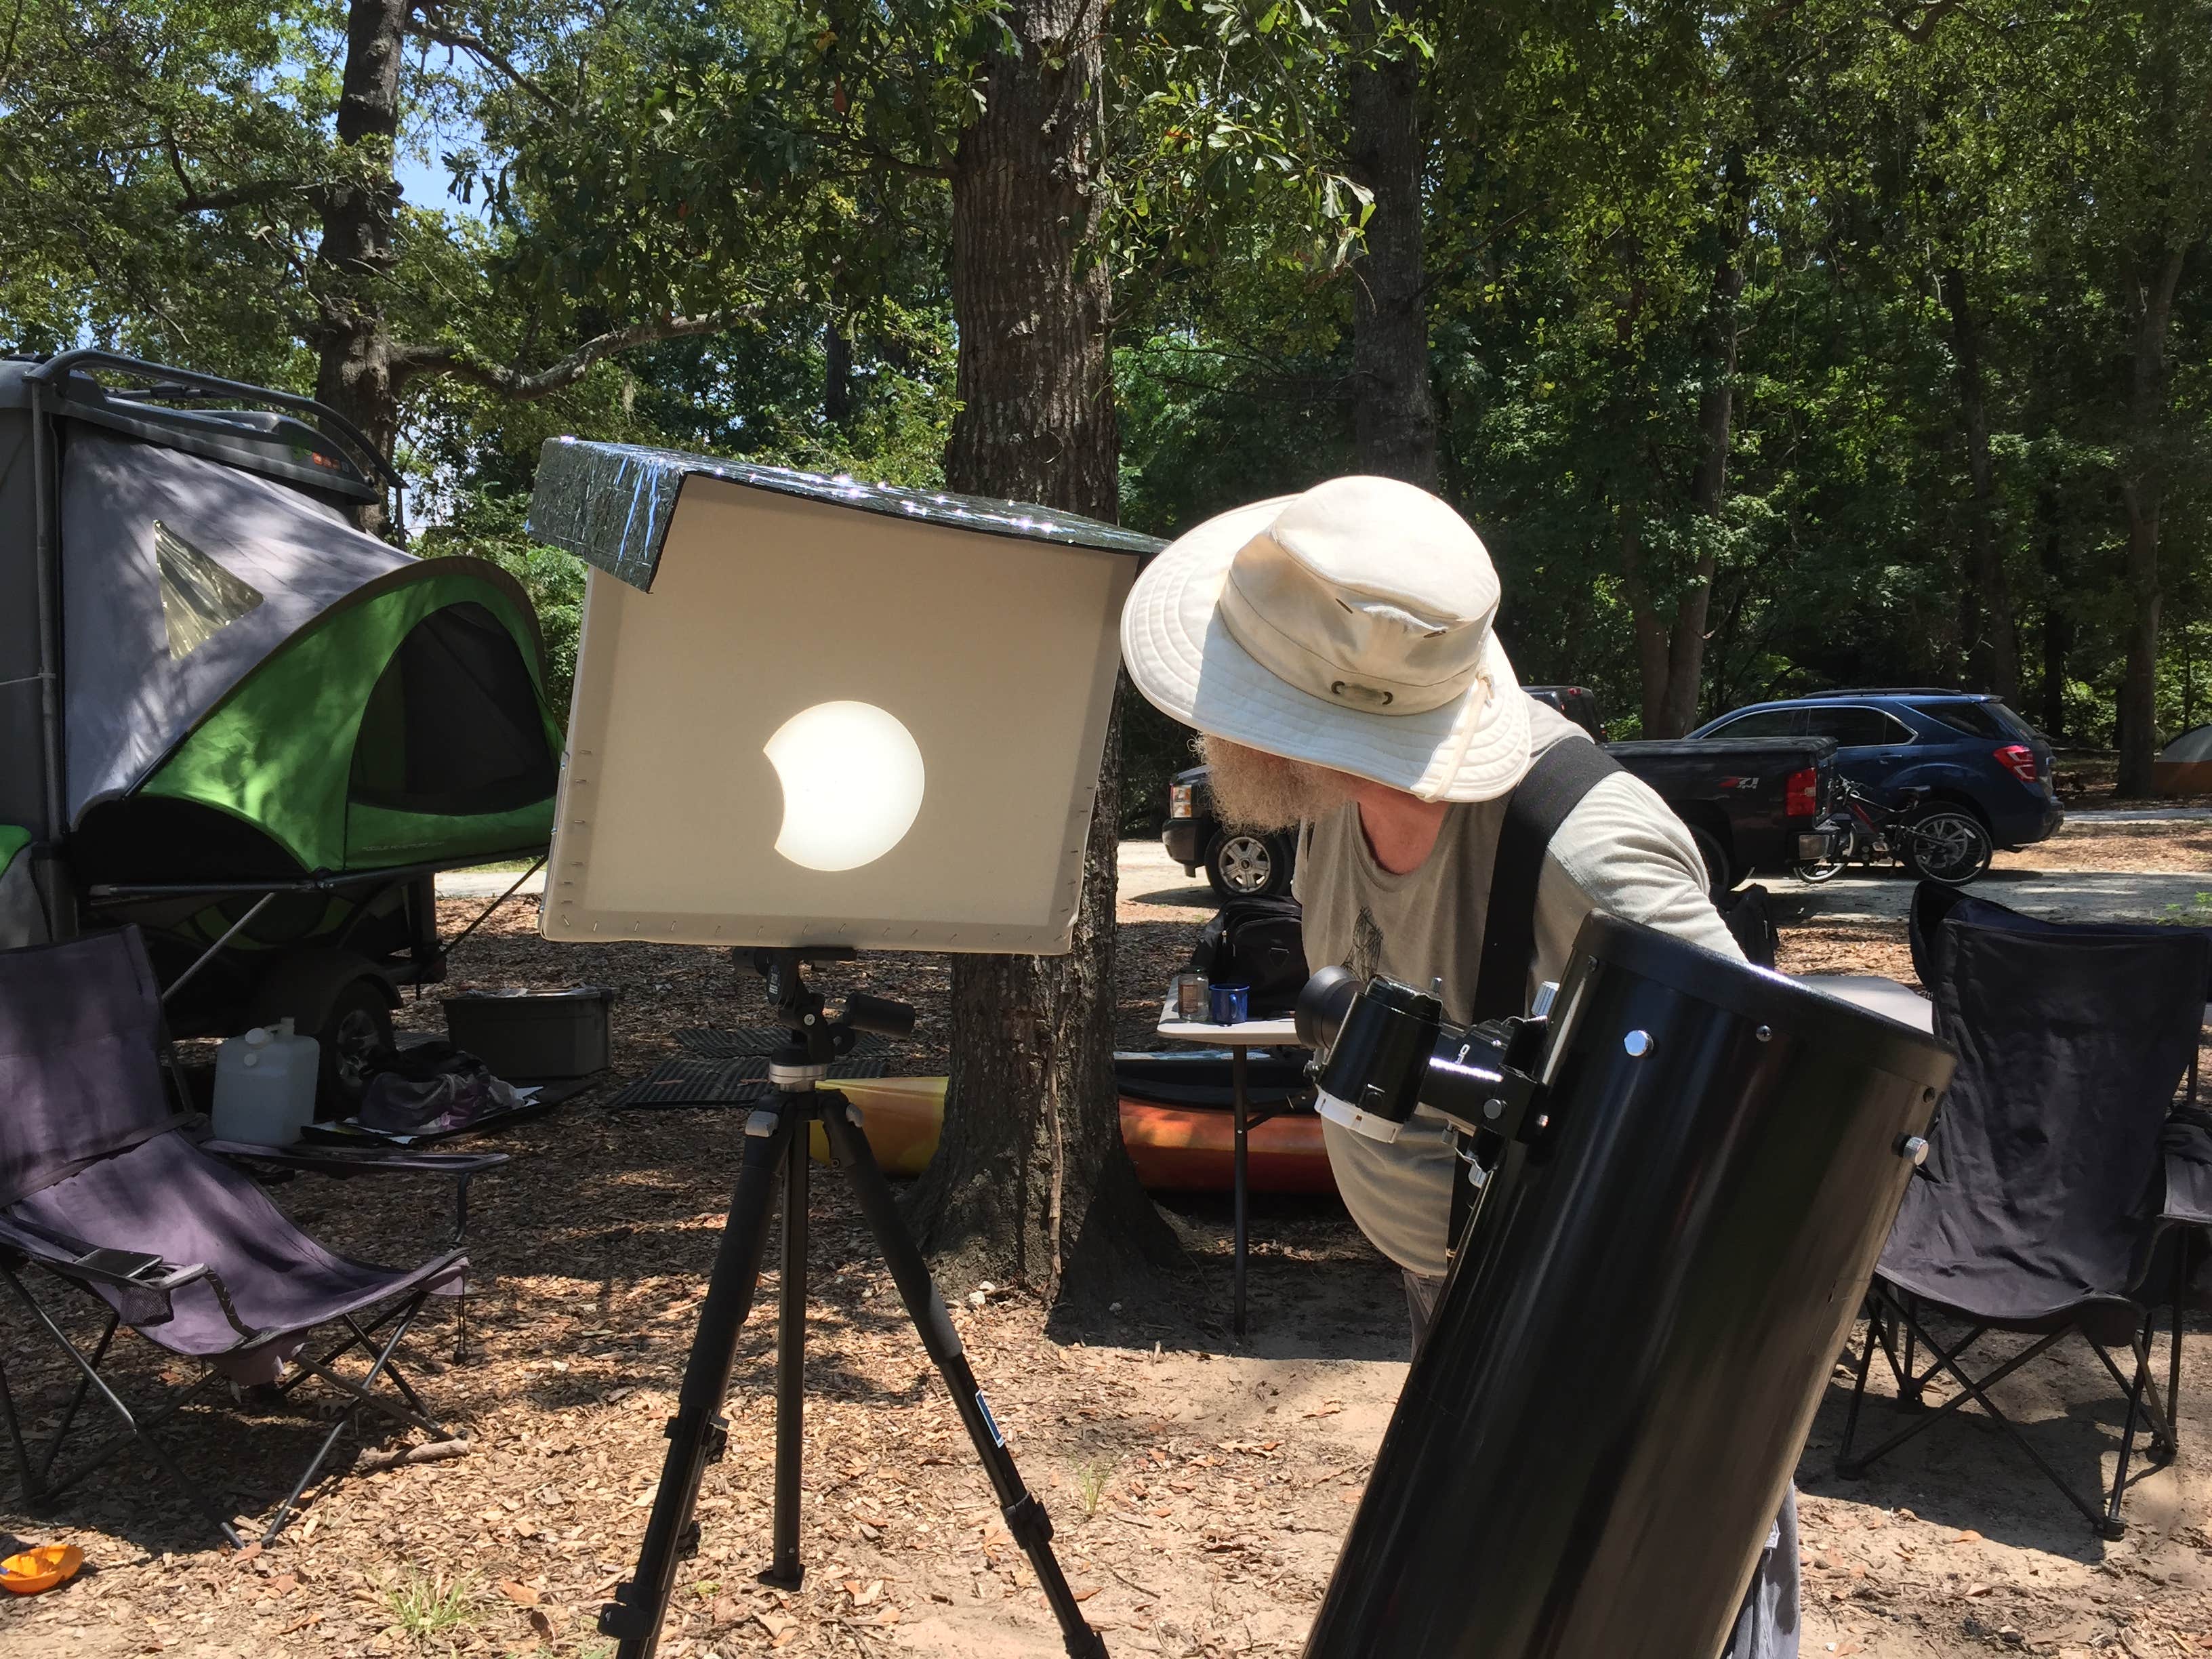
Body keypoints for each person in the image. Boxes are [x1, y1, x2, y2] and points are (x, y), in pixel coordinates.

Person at [1119, 474, 1797, 1659]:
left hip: (1612, 1349)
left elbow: (1769, 1124)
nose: (1210, 723)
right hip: (1462, 1295)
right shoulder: (1335, 793)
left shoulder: (1585, 845)